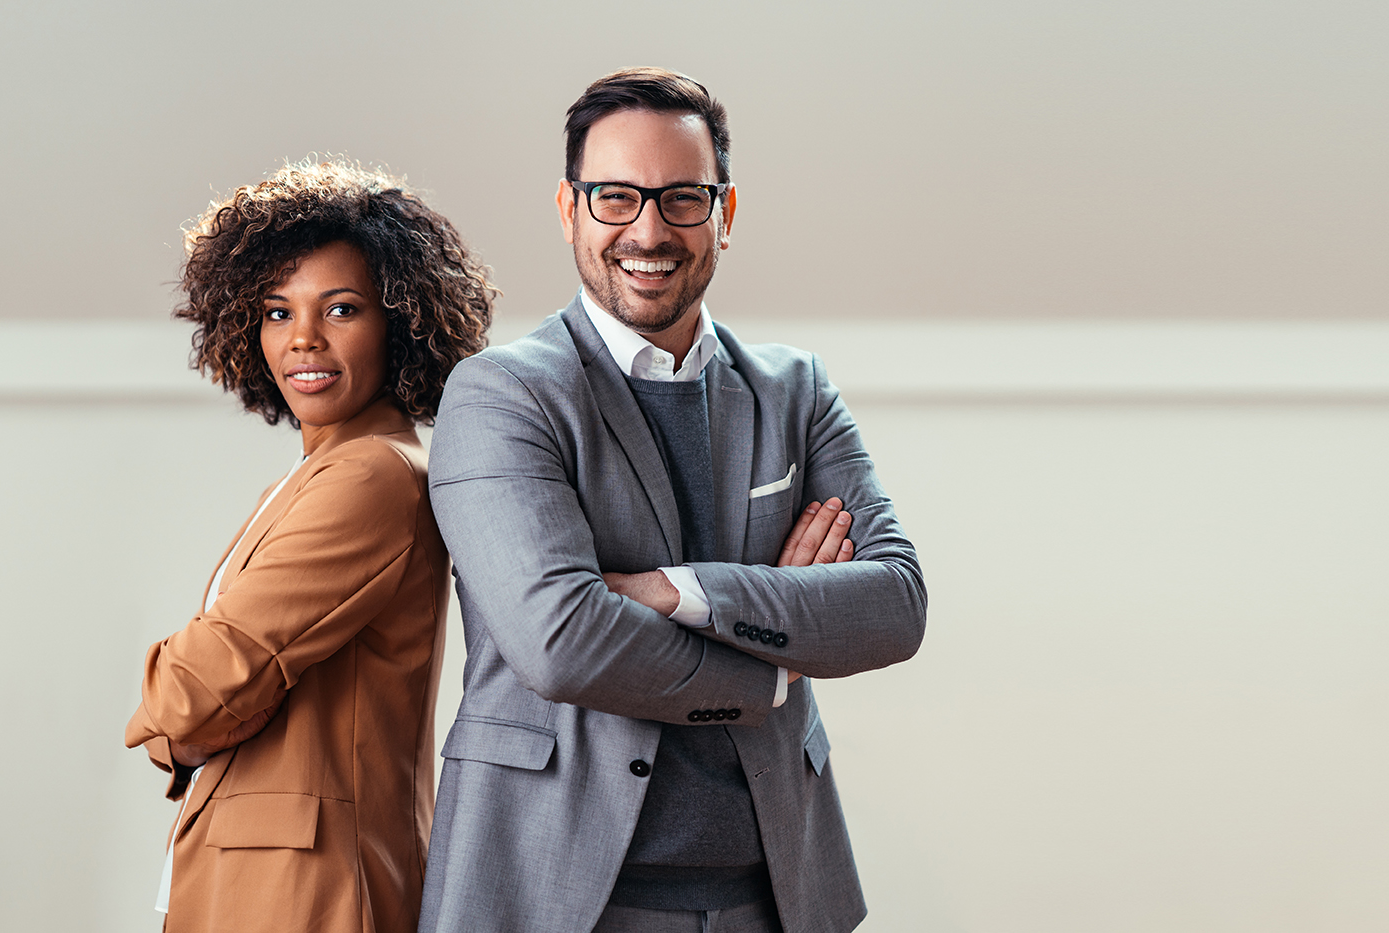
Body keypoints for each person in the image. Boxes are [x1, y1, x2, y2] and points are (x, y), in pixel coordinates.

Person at [419, 68, 926, 933]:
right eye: (615, 197)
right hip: (557, 899)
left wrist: (675, 589)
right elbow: (561, 641)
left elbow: (893, 604)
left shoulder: (794, 390)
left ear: (724, 215)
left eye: (682, 198)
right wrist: (776, 660)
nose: (648, 230)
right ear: (569, 207)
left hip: (776, 899)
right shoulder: (500, 395)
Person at [124, 159, 494, 933]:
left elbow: (190, 691)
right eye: (275, 310)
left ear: (401, 320)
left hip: (310, 888)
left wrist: (178, 713)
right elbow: (201, 702)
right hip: (258, 870)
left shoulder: (370, 475)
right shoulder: (318, 472)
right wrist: (186, 726)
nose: (303, 340)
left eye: (341, 308)